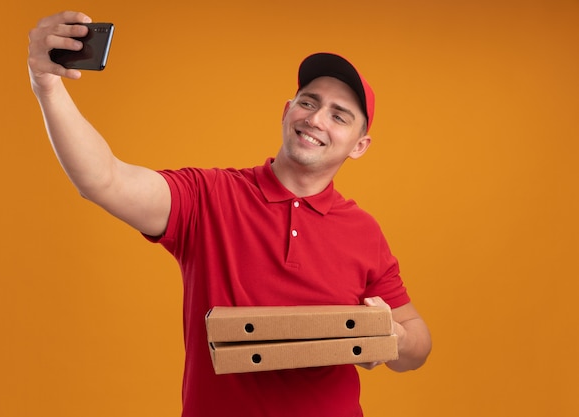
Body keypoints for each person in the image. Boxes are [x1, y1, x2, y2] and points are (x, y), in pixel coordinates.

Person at [28, 11, 432, 417]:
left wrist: (387, 338)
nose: (315, 119)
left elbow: (418, 342)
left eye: (338, 115)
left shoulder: (363, 230)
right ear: (287, 111)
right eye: (308, 103)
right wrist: (47, 86)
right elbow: (103, 179)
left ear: (359, 146)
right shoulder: (208, 196)